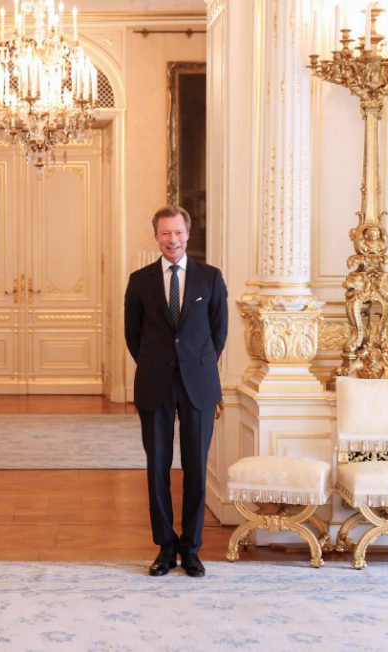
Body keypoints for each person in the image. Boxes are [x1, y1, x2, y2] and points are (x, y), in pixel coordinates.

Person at [124, 206, 228, 577]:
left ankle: (193, 548)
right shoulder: (139, 281)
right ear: (156, 236)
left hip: (199, 385)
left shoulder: (211, 278)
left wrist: (194, 365)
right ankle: (165, 548)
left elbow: (219, 334)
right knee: (157, 468)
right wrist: (158, 363)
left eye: (178, 232)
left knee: (196, 468)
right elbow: (132, 336)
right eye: (165, 233)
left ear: (188, 234)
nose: (173, 240)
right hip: (155, 384)